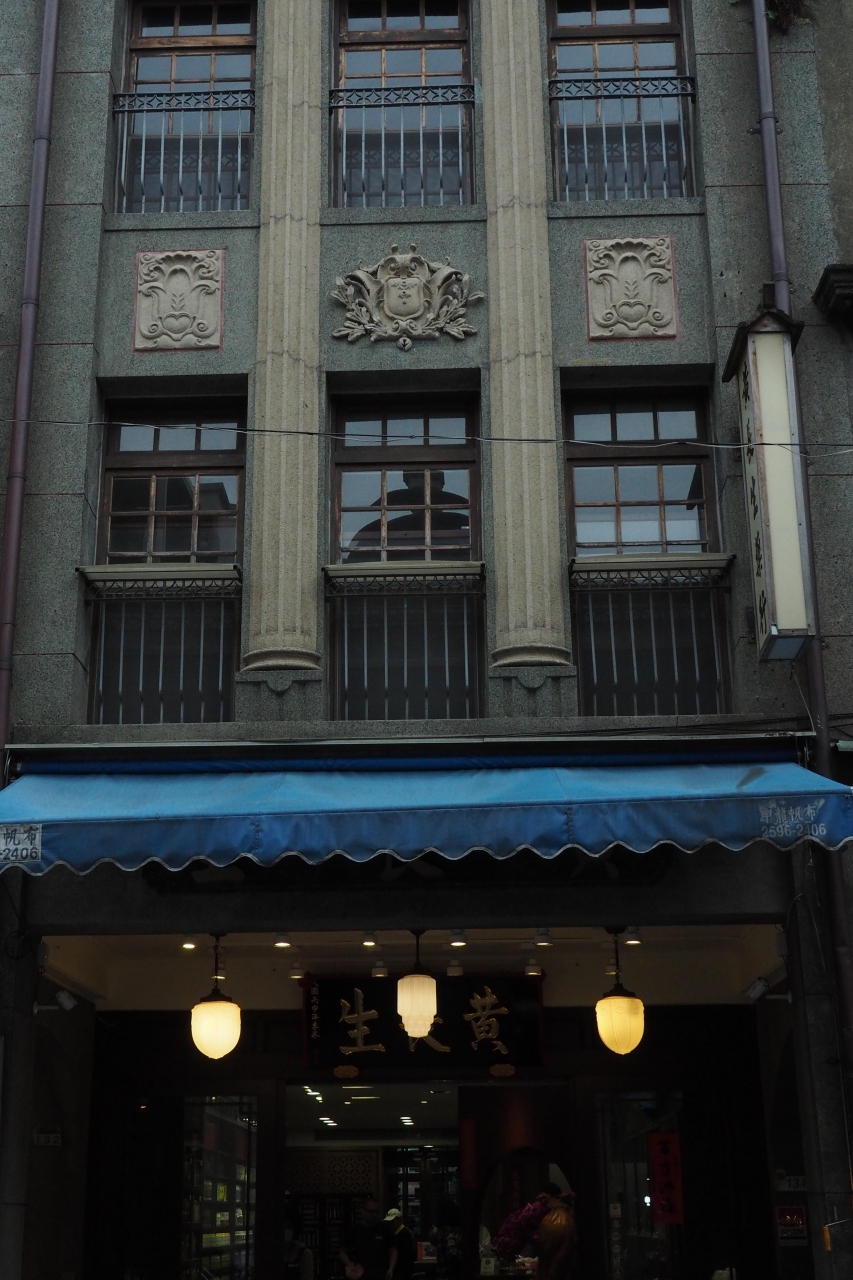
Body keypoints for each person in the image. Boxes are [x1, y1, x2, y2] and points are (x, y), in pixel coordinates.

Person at [341, 1197, 395, 1280]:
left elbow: (393, 1250)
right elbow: (342, 1251)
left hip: (381, 1273)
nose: (374, 1215)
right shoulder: (354, 1230)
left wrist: (391, 1268)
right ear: (363, 1211)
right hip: (360, 1274)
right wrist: (350, 1265)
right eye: (371, 1211)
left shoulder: (384, 1229)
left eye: (376, 1212)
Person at [283, 1207, 315, 1280]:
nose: (285, 1231)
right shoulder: (273, 1252)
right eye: (283, 1226)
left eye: (289, 1227)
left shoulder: (304, 1254)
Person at [384, 1208, 415, 1280]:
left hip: (402, 1271)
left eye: (393, 1221)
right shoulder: (397, 1233)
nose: (391, 1224)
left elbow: (406, 1256)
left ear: (399, 1220)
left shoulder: (404, 1234)